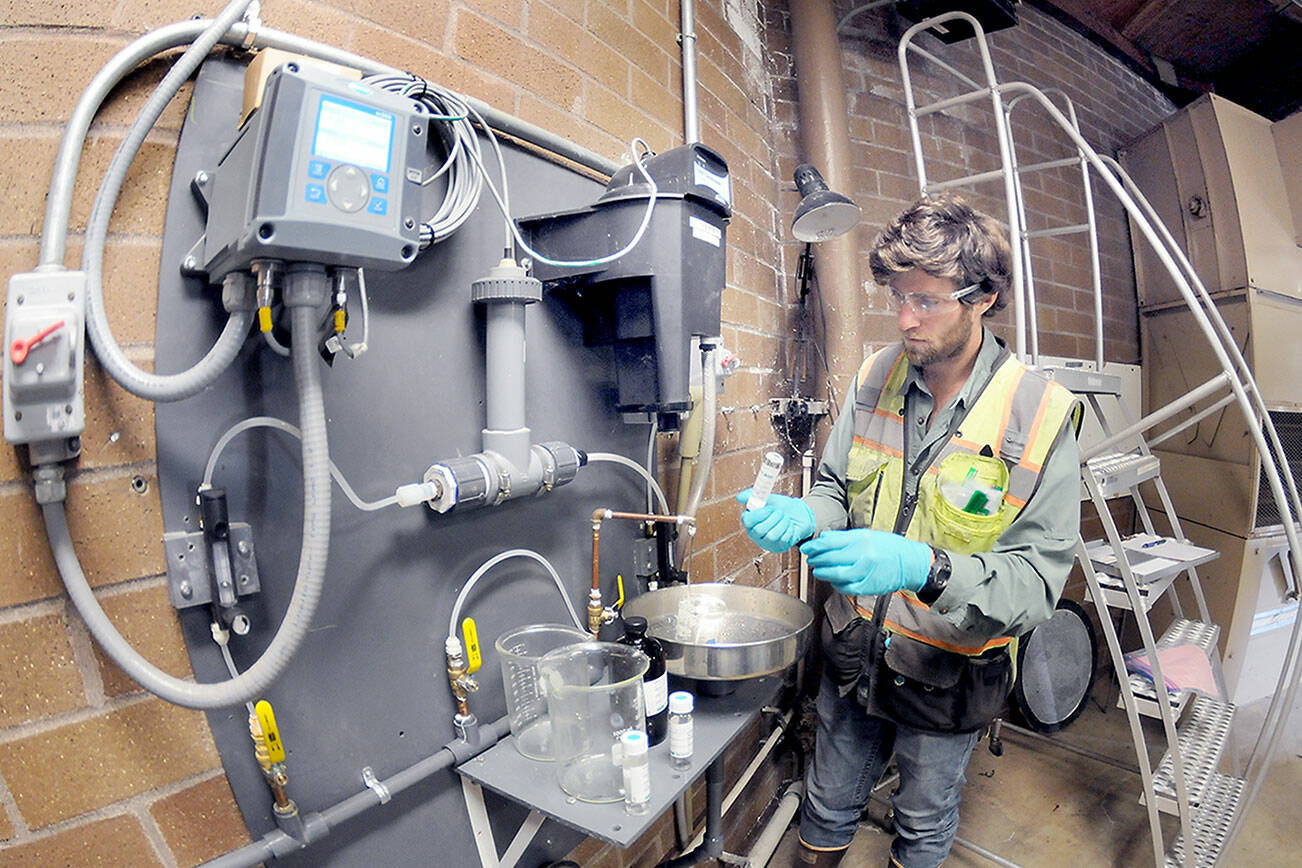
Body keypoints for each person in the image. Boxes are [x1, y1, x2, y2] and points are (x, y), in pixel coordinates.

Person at [737, 194, 1082, 868]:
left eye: (926, 300)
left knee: (922, 822)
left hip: (946, 675)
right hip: (852, 651)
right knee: (826, 801)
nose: (904, 319)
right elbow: (837, 489)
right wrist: (806, 515)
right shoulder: (877, 376)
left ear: (983, 298)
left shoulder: (1040, 415)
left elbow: (1035, 586)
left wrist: (924, 567)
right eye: (897, 296)